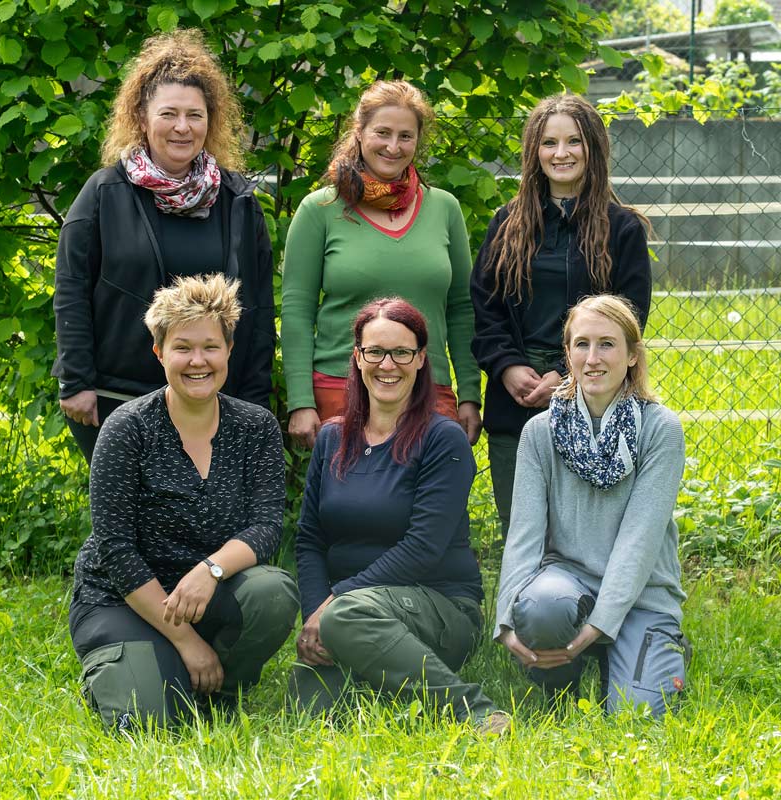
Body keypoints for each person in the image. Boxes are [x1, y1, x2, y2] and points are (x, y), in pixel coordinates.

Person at [68, 274, 298, 729]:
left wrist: (209, 570)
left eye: (211, 346)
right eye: (182, 347)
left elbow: (268, 525)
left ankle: (223, 687)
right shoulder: (127, 428)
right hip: (125, 599)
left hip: (207, 594)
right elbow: (116, 548)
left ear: (229, 350)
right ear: (159, 352)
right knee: (147, 722)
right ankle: (136, 669)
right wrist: (186, 642)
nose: (198, 361)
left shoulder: (256, 427)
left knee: (272, 592)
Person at [53, 28, 274, 464]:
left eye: (195, 115)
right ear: (141, 117)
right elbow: (71, 288)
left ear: (211, 120)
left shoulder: (237, 201)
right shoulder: (104, 193)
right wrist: (76, 381)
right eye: (168, 114)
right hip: (116, 400)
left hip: (213, 402)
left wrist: (254, 397)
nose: (182, 127)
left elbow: (259, 305)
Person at [290, 297, 501, 728]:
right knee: (311, 708)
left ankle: (472, 712)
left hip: (439, 606)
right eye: (375, 352)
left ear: (421, 359)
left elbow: (422, 548)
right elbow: (310, 539)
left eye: (402, 352)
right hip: (347, 612)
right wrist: (314, 614)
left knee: (347, 618)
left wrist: (335, 602)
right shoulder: (332, 438)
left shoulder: (443, 440)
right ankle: (380, 674)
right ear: (357, 357)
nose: (388, 365)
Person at [495, 295, 688, 718]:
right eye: (581, 344)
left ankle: (638, 645)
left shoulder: (661, 429)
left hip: (641, 595)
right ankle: (562, 676)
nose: (593, 358)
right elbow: (524, 537)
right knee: (542, 610)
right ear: (567, 354)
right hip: (568, 584)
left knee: (637, 713)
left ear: (632, 355)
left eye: (607, 344)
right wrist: (506, 621)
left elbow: (639, 542)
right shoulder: (539, 432)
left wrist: (600, 624)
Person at [471, 93, 651, 535]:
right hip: (515, 398)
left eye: (573, 141)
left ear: (593, 148)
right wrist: (507, 367)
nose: (561, 153)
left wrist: (566, 375)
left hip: (592, 396)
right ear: (535, 151)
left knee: (584, 533)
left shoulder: (622, 229)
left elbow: (629, 319)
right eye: (549, 143)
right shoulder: (507, 224)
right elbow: (485, 309)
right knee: (522, 531)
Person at [281, 80, 481, 449]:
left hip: (428, 390)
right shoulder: (320, 209)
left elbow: (461, 308)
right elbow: (296, 309)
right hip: (342, 389)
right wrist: (300, 401)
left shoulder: (445, 208)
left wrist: (469, 393)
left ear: (418, 141)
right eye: (382, 133)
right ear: (359, 132)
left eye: (406, 136)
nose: (393, 146)